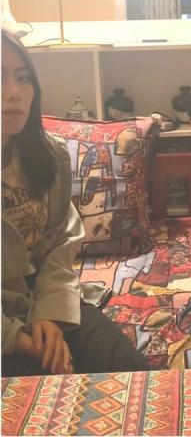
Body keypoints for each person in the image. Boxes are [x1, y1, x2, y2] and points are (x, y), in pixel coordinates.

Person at [1, 31, 149, 376]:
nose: (14, 91)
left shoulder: (48, 156)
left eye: (23, 77)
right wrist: (18, 338)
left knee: (129, 374)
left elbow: (60, 242)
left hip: (47, 299)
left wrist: (49, 314)